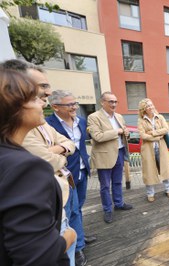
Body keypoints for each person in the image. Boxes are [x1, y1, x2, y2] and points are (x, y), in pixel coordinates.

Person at [0, 59, 82, 266]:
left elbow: (68, 143)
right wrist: (68, 238)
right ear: (14, 104)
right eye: (33, 96)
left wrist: (56, 151)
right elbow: (38, 257)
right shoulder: (25, 168)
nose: (43, 101)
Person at [47, 91, 97, 248]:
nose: (74, 107)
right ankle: (77, 246)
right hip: (65, 174)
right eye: (69, 104)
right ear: (55, 107)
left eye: (75, 103)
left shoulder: (81, 121)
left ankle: (78, 233)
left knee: (79, 206)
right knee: (69, 211)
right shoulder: (48, 125)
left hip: (82, 170)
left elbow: (81, 146)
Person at [87, 91, 133, 224]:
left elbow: (123, 134)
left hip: (119, 152)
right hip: (104, 155)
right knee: (105, 186)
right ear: (102, 102)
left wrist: (126, 133)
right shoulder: (94, 117)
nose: (114, 104)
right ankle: (107, 209)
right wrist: (117, 131)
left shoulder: (119, 116)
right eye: (110, 101)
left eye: (115, 101)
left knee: (118, 182)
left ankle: (119, 203)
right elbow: (97, 136)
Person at [137, 98, 169, 202]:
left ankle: (168, 189)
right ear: (144, 109)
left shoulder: (160, 117)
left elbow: (166, 129)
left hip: (161, 148)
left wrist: (152, 133)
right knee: (149, 171)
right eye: (148, 106)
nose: (151, 107)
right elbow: (142, 135)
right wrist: (157, 136)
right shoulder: (141, 120)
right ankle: (150, 193)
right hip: (148, 149)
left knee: (165, 169)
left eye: (151, 105)